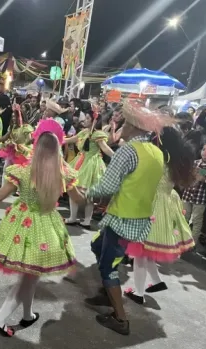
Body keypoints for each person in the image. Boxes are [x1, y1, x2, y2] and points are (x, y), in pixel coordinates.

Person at [0, 130, 84, 337]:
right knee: (28, 277)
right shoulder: (63, 172)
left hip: (21, 222)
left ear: (36, 146)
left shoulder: (24, 170)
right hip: (45, 226)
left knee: (30, 276)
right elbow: (79, 200)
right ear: (57, 150)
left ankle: (28, 315)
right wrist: (91, 197)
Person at [84, 101, 173, 335]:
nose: (122, 125)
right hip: (138, 218)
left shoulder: (129, 150)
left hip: (122, 218)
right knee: (97, 245)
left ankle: (120, 318)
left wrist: (87, 192)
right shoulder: (156, 151)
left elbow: (108, 185)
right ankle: (108, 290)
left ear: (133, 126)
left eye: (125, 122)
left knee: (108, 266)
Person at [123, 127, 195, 303]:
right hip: (167, 203)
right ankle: (156, 282)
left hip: (151, 205)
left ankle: (139, 294)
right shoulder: (177, 159)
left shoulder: (158, 158)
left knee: (140, 254)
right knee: (148, 251)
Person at [64, 109, 110, 228]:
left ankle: (87, 220)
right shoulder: (84, 132)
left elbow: (105, 149)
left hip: (90, 164)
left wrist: (117, 157)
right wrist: (55, 138)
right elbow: (70, 140)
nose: (85, 120)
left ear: (95, 120)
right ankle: (73, 217)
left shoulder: (97, 134)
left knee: (88, 194)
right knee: (72, 189)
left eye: (88, 118)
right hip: (80, 162)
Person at [181, 142, 206, 246]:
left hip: (200, 197)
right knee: (183, 216)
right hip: (188, 193)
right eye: (203, 149)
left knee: (197, 220)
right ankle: (180, 238)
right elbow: (189, 176)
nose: (205, 152)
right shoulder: (195, 162)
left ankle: (192, 242)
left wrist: (200, 176)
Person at [0, 104, 33, 185]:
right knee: (6, 169)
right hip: (13, 151)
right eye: (12, 116)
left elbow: (28, 141)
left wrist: (19, 145)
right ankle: (3, 188)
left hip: (24, 153)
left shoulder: (26, 127)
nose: (13, 118)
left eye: (15, 117)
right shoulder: (12, 127)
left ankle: (19, 190)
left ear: (21, 117)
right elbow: (5, 137)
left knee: (20, 173)